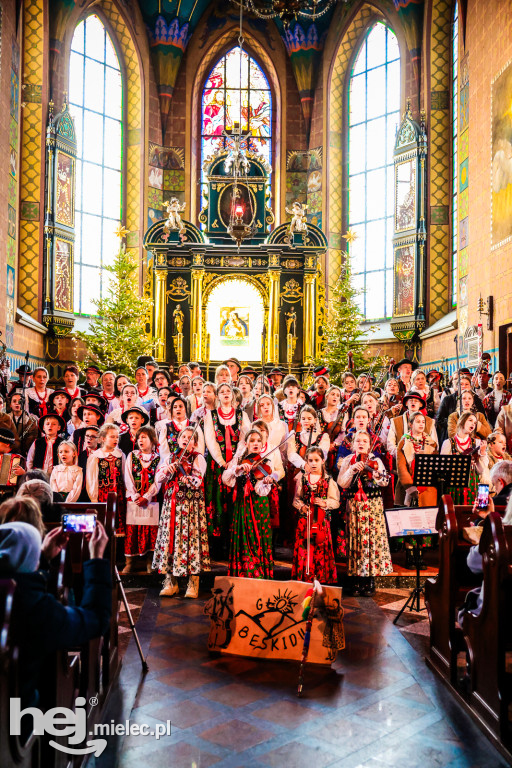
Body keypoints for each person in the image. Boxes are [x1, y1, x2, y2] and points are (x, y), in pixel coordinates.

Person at [3, 520, 111, 708]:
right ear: (32, 558)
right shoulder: (37, 608)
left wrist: (42, 558)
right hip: (20, 718)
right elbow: (96, 619)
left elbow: (21, 577)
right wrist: (97, 559)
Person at [154, 426, 210, 598]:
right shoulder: (170, 458)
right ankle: (171, 581)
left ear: (195, 442)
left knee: (190, 539)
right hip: (172, 505)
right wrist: (166, 470)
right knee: (170, 538)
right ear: (178, 440)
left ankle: (193, 583)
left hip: (190, 507)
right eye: (183, 436)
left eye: (190, 437)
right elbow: (158, 478)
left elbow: (198, 480)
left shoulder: (197, 458)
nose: (186, 439)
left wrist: (188, 478)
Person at [338, 430, 392, 595]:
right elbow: (342, 483)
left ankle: (369, 580)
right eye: (358, 441)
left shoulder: (375, 460)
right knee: (357, 541)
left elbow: (385, 481)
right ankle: (356, 580)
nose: (361, 443)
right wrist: (352, 469)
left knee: (371, 542)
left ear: (370, 445)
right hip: (355, 505)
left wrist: (375, 474)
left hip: (372, 505)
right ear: (353, 444)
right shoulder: (349, 460)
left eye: (364, 441)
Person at [222, 429, 273, 579]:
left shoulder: (266, 462)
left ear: (262, 444)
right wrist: (237, 469)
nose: (255, 443)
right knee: (244, 539)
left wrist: (265, 481)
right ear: (246, 444)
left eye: (258, 441)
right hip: (242, 505)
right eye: (252, 440)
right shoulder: (238, 460)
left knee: (259, 539)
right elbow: (226, 479)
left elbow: (261, 491)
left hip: (259, 505)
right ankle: (244, 574)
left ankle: (260, 575)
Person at [203, 383, 251, 542]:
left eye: (228, 391)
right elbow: (210, 440)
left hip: (236, 463)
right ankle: (217, 541)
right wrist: (222, 461)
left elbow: (246, 439)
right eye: (221, 391)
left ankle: (233, 540)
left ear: (232, 395)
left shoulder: (241, 415)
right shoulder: (211, 415)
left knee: (234, 499)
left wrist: (234, 461)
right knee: (217, 498)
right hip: (216, 463)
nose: (225, 394)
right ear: (217, 396)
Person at [291, 446, 339, 583]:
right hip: (305, 521)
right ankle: (304, 578)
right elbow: (296, 499)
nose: (313, 463)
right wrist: (302, 507)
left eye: (316, 460)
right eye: (310, 460)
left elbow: (336, 502)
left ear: (322, 461)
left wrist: (324, 503)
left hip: (321, 523)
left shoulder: (329, 481)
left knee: (320, 549)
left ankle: (321, 579)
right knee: (305, 549)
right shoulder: (303, 479)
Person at [123, 425, 162, 574]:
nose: (141, 440)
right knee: (132, 529)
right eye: (139, 438)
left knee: (151, 529)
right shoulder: (132, 456)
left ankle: (149, 560)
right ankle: (130, 562)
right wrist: (135, 495)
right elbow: (128, 476)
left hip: (151, 499)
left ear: (152, 440)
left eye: (144, 437)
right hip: (135, 498)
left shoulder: (158, 458)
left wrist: (147, 496)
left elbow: (158, 480)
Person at [86, 423, 126, 536]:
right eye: (112, 437)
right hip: (103, 494)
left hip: (118, 494)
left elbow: (124, 475)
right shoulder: (96, 456)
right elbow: (91, 479)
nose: (115, 439)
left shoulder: (120, 455)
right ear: (103, 438)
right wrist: (94, 498)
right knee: (104, 521)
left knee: (118, 522)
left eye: (117, 437)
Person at [441, 411, 490, 504]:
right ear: (462, 422)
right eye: (470, 420)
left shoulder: (477, 443)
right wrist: (462, 464)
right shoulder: (448, 443)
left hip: (473, 485)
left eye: (475, 423)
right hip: (455, 486)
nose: (473, 424)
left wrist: (482, 453)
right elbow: (443, 468)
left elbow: (481, 470)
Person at [395, 412, 438, 506]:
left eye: (423, 422)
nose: (421, 424)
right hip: (408, 483)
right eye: (418, 422)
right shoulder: (404, 442)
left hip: (427, 484)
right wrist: (410, 488)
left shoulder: (431, 442)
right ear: (410, 424)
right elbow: (401, 467)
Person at [387, 392, 438, 457]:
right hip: (400, 459)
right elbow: (390, 443)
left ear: (421, 404)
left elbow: (434, 443)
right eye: (410, 400)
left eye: (416, 401)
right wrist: (400, 454)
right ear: (406, 403)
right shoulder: (395, 421)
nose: (413, 402)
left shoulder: (429, 422)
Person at [77, 426, 99, 501]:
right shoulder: (80, 456)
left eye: (93, 436)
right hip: (82, 491)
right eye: (87, 436)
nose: (89, 438)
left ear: (99, 439)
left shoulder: (101, 455)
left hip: (97, 491)